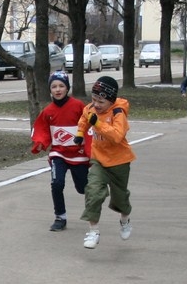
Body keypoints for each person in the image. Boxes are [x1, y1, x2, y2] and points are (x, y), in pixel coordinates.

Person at [74, 76, 134, 250]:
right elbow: (84, 117)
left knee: (120, 198)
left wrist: (98, 123)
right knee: (92, 192)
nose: (96, 104)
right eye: (94, 99)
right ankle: (93, 231)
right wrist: (80, 133)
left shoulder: (118, 112)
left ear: (111, 100)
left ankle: (125, 220)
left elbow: (117, 136)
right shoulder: (91, 108)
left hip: (119, 161)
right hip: (98, 159)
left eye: (101, 101)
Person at [32, 72, 92, 231]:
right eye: (54, 86)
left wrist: (90, 149)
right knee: (57, 183)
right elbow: (41, 129)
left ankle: (95, 199)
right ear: (50, 90)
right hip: (58, 153)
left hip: (78, 154)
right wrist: (40, 141)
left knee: (83, 188)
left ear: (67, 88)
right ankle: (60, 217)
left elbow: (89, 127)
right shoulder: (48, 111)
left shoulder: (78, 106)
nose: (58, 89)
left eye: (61, 86)